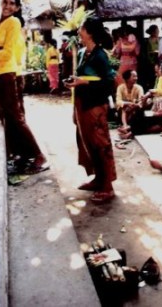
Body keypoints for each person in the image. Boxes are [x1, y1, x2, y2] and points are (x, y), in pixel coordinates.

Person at [0, 0, 48, 174]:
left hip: (8, 74)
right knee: (7, 118)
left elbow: (6, 53)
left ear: (17, 8)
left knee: (16, 117)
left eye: (11, 4)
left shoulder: (14, 22)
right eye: (5, 2)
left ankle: (39, 156)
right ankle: (22, 154)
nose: (7, 6)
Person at [64, 17, 117, 204]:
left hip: (95, 105)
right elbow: (81, 76)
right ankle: (98, 179)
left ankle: (107, 186)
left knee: (100, 144)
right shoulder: (81, 53)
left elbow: (109, 82)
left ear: (90, 33)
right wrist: (75, 83)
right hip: (82, 103)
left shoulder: (100, 55)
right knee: (87, 144)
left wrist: (84, 82)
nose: (79, 31)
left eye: (82, 29)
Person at [116, 69, 144, 139]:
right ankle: (125, 126)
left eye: (136, 76)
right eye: (134, 76)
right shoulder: (120, 87)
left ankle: (126, 128)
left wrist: (135, 105)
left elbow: (141, 101)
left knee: (134, 110)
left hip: (135, 111)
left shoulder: (139, 88)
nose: (136, 78)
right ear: (127, 78)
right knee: (124, 107)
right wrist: (128, 103)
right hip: (123, 112)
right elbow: (118, 101)